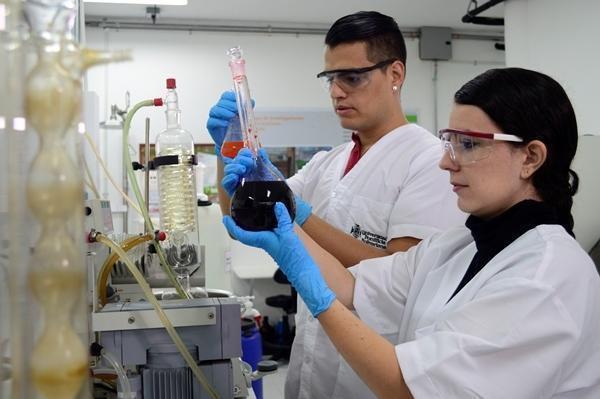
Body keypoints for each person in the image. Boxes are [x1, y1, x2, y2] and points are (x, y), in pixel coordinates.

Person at [223, 67, 600, 399]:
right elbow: (353, 287)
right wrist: (284, 230)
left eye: (467, 144)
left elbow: (408, 388)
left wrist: (319, 300)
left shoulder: (547, 277)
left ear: (531, 158)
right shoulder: (459, 245)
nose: (446, 161)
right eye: (449, 141)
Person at [207, 11, 465, 398]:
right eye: (331, 78)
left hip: (374, 374)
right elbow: (241, 218)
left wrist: (299, 216)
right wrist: (226, 155)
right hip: (311, 366)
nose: (337, 92)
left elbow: (401, 277)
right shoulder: (328, 162)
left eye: (352, 77)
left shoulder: (427, 162)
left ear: (395, 74)